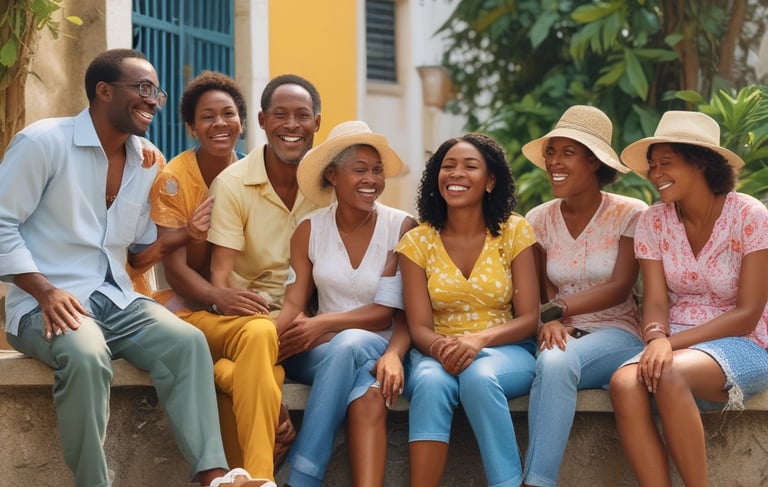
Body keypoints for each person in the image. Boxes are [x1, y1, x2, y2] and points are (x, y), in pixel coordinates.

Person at [0, 49, 268, 487]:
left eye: (156, 92)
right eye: (142, 89)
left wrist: (188, 231)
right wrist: (46, 290)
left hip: (117, 298)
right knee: (87, 356)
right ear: (104, 91)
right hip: (43, 303)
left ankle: (214, 477)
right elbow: (1, 222)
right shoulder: (43, 142)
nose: (153, 100)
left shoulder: (146, 159)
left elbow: (141, 249)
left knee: (187, 342)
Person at [145, 71, 295, 480]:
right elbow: (174, 272)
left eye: (228, 114)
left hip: (239, 313)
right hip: (189, 313)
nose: (219, 124)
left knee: (251, 360)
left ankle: (248, 476)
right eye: (207, 117)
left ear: (243, 121)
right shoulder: (175, 180)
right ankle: (262, 472)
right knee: (263, 351)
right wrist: (218, 298)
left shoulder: (253, 174)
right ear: (192, 127)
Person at [609, 111, 768, 487]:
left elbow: (747, 314)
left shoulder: (749, 214)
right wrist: (655, 336)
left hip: (746, 340)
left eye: (667, 163)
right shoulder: (653, 220)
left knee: (669, 372)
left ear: (700, 163)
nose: (655, 173)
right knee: (623, 384)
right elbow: (657, 301)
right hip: (675, 337)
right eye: (652, 165)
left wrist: (668, 344)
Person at [275, 121, 416, 487]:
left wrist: (322, 324)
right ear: (333, 175)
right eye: (360, 170)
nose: (371, 179)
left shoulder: (401, 228)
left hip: (378, 342)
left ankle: (303, 475)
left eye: (377, 170)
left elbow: (388, 311)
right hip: (320, 352)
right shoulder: (309, 229)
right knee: (360, 384)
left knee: (350, 347)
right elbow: (293, 303)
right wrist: (266, 343)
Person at [395, 133, 539, 487]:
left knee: (478, 376)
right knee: (429, 383)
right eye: (448, 166)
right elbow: (419, 326)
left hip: (507, 349)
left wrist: (477, 341)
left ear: (490, 181)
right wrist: (444, 349)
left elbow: (530, 317)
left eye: (470, 166)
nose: (456, 173)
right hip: (436, 352)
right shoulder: (417, 242)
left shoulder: (513, 231)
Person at [518, 105, 646, 487]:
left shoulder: (629, 213)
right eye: (551, 152)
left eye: (567, 153)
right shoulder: (537, 219)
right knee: (555, 360)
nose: (554, 162)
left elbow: (620, 286)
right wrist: (550, 319)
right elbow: (542, 287)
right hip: (558, 332)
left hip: (618, 333)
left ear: (593, 162)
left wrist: (558, 310)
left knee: (556, 364)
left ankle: (535, 482)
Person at [202, 73, 322, 472]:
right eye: (280, 115)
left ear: (316, 123)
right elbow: (220, 280)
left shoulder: (329, 186)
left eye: (302, 115)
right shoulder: (233, 184)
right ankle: (260, 476)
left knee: (241, 370)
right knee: (258, 336)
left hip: (301, 324)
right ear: (262, 120)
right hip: (243, 321)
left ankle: (227, 376)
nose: (292, 125)